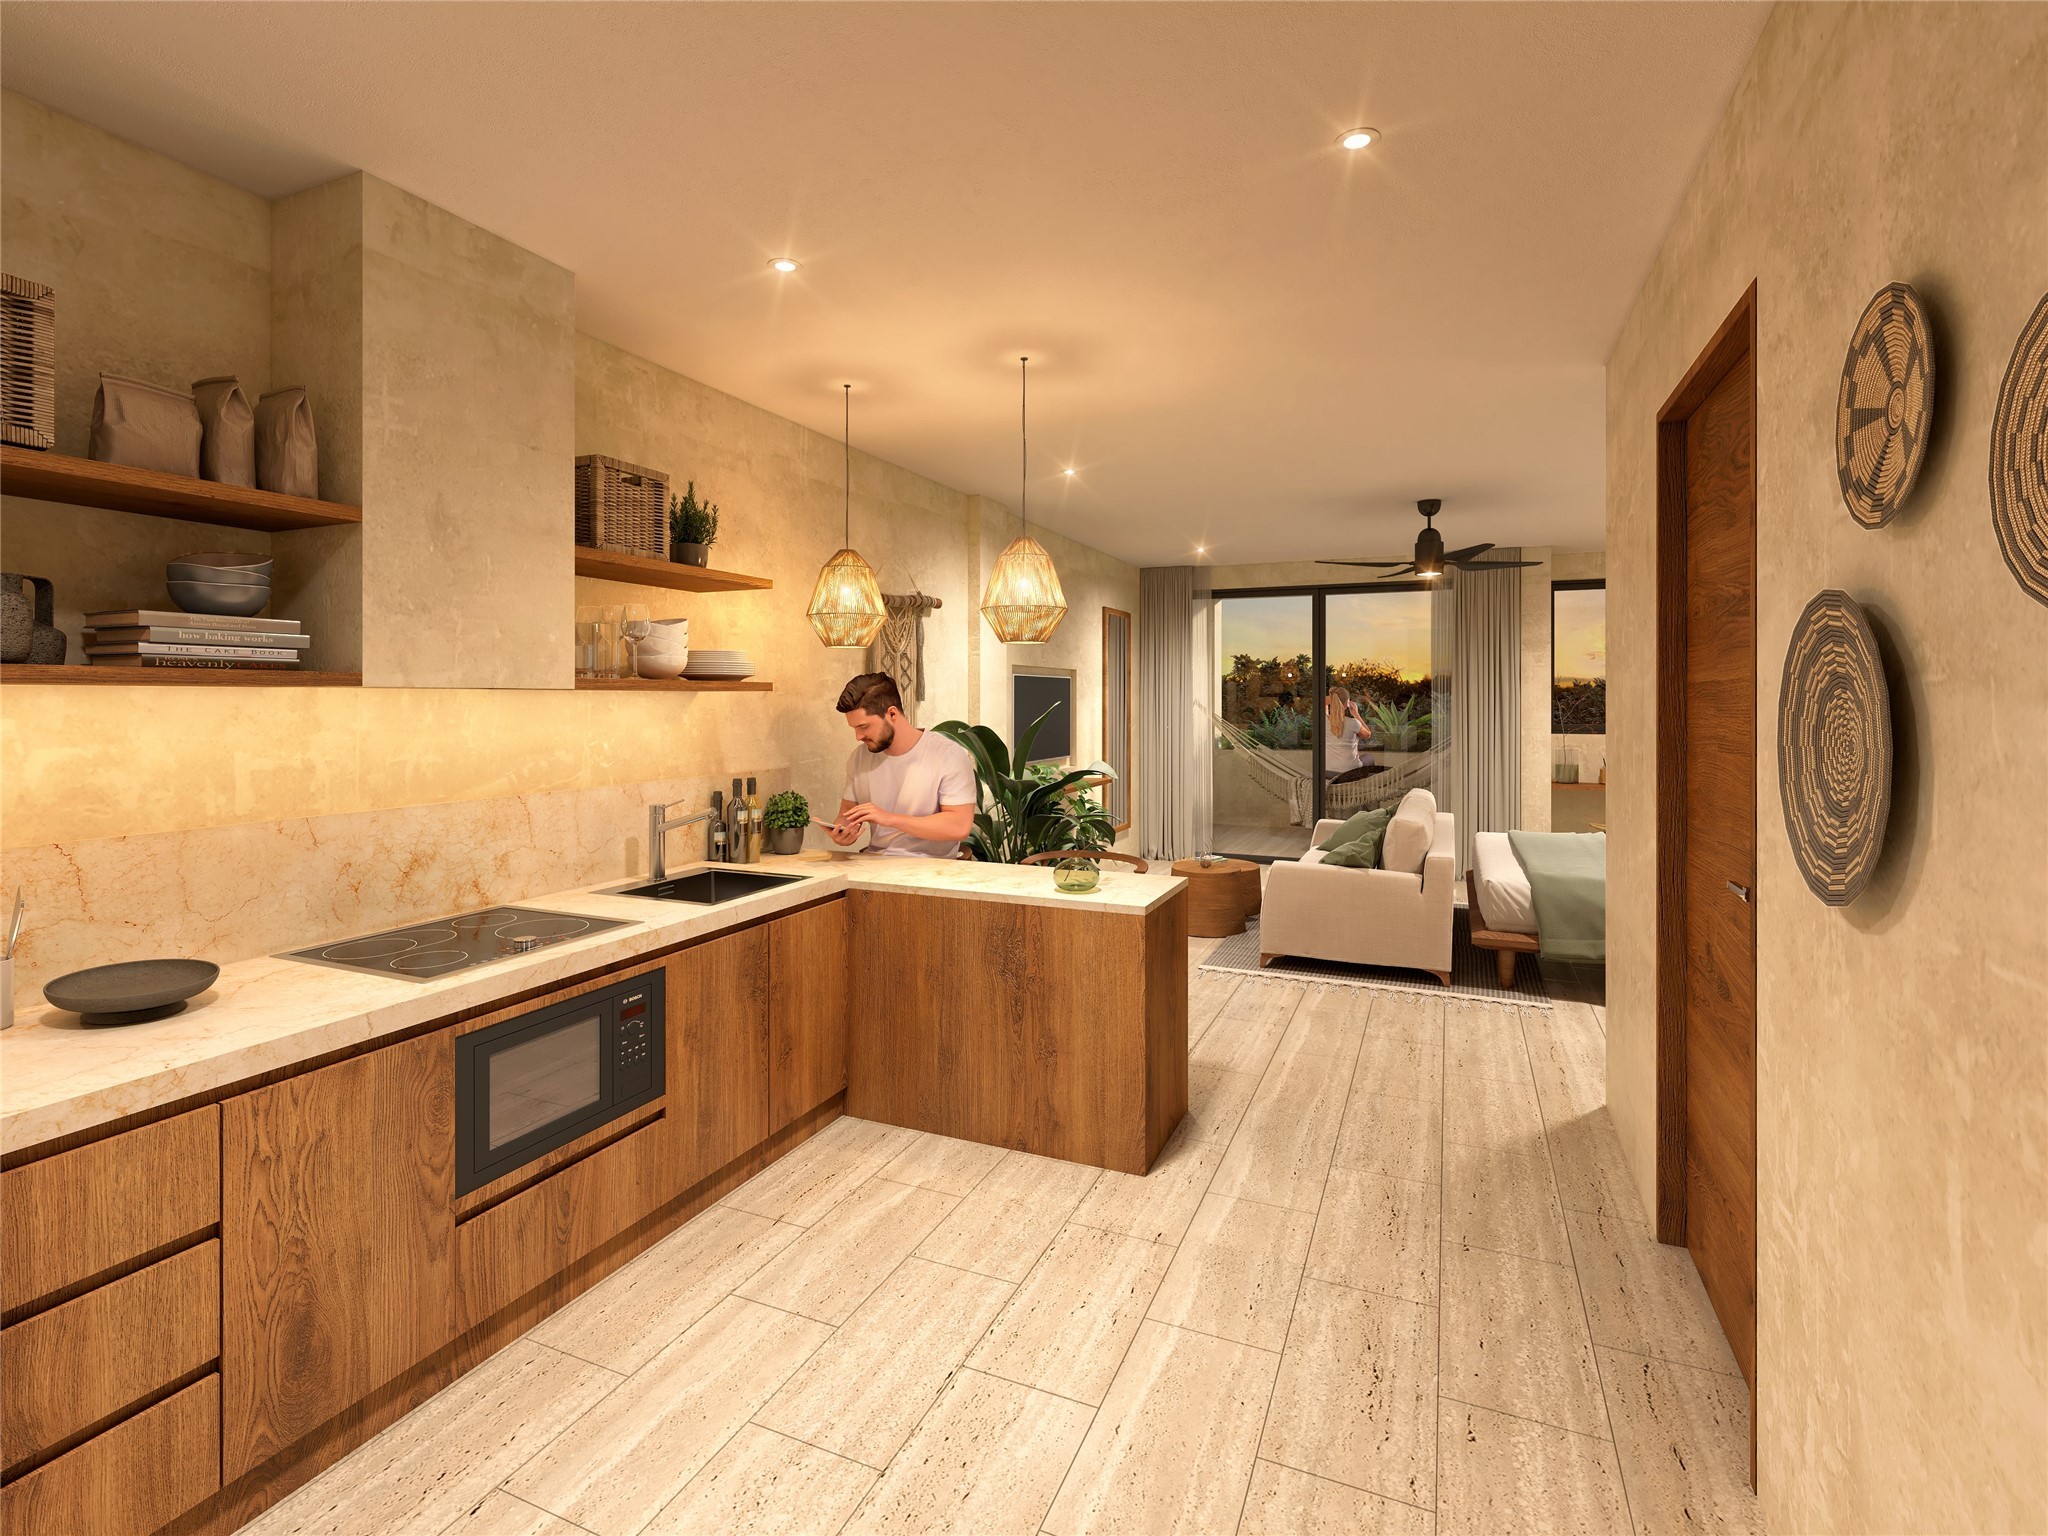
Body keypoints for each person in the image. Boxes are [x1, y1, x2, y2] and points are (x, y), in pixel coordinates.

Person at [831, 672, 978, 858]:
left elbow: (959, 826)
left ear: (892, 713)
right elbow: (847, 814)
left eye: (864, 727)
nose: (858, 737)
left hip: (932, 871)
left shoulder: (947, 755)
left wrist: (890, 819)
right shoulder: (859, 758)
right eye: (854, 728)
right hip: (874, 865)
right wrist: (842, 831)